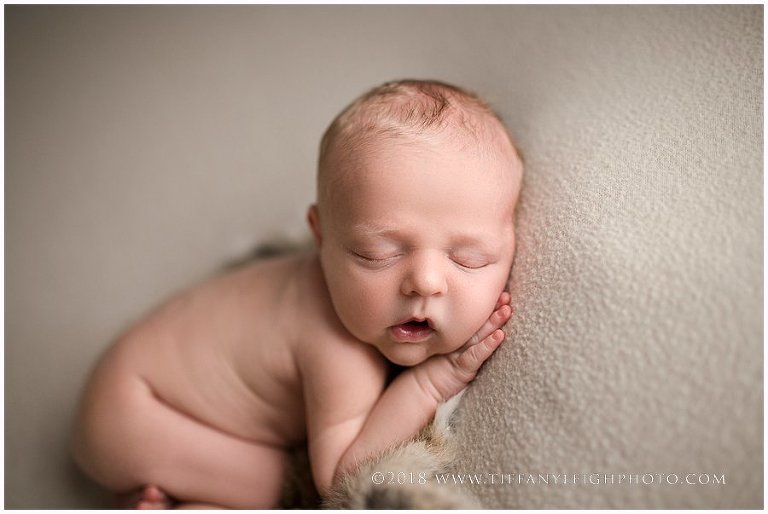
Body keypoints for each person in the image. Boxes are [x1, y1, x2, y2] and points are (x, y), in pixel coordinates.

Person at [71, 79, 524, 509]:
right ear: (320, 237)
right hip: (136, 412)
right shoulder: (337, 347)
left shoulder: (366, 304)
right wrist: (434, 380)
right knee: (285, 488)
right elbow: (340, 476)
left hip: (139, 383)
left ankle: (171, 486)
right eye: (376, 253)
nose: (425, 282)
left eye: (469, 258)